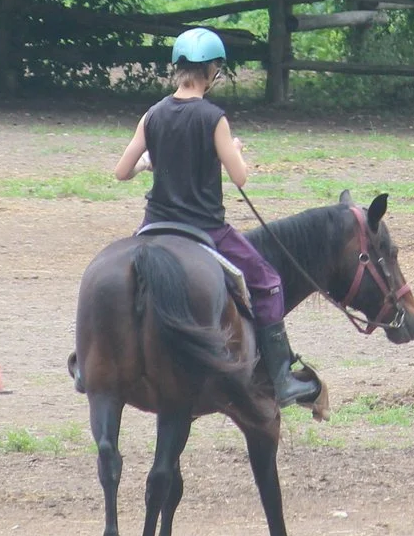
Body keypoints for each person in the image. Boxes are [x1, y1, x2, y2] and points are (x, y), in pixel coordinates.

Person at [112, 28, 317, 407]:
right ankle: (283, 379)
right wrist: (233, 150)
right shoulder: (214, 118)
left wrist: (146, 163)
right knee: (269, 281)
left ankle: (91, 358)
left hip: (153, 226)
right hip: (204, 228)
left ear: (177, 69)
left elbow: (121, 171)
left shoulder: (152, 114)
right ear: (212, 71)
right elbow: (240, 177)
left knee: (120, 281)